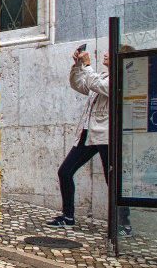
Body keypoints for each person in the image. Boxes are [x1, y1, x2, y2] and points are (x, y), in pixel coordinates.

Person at [49, 47, 129, 232]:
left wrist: (87, 64)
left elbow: (96, 85)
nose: (106, 54)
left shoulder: (121, 78)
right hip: (88, 134)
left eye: (111, 51)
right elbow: (79, 85)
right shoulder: (101, 77)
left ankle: (124, 223)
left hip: (107, 135)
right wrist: (78, 66)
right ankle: (67, 216)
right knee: (65, 172)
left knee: (113, 180)